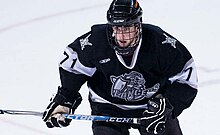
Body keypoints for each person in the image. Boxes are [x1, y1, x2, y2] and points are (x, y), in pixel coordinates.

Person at [42, 0, 198, 134]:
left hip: (152, 109)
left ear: (138, 26)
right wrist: (66, 99)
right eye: (117, 29)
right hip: (108, 107)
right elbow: (73, 67)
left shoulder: (160, 44)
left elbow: (186, 78)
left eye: (127, 28)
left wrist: (168, 105)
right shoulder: (96, 42)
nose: (122, 36)